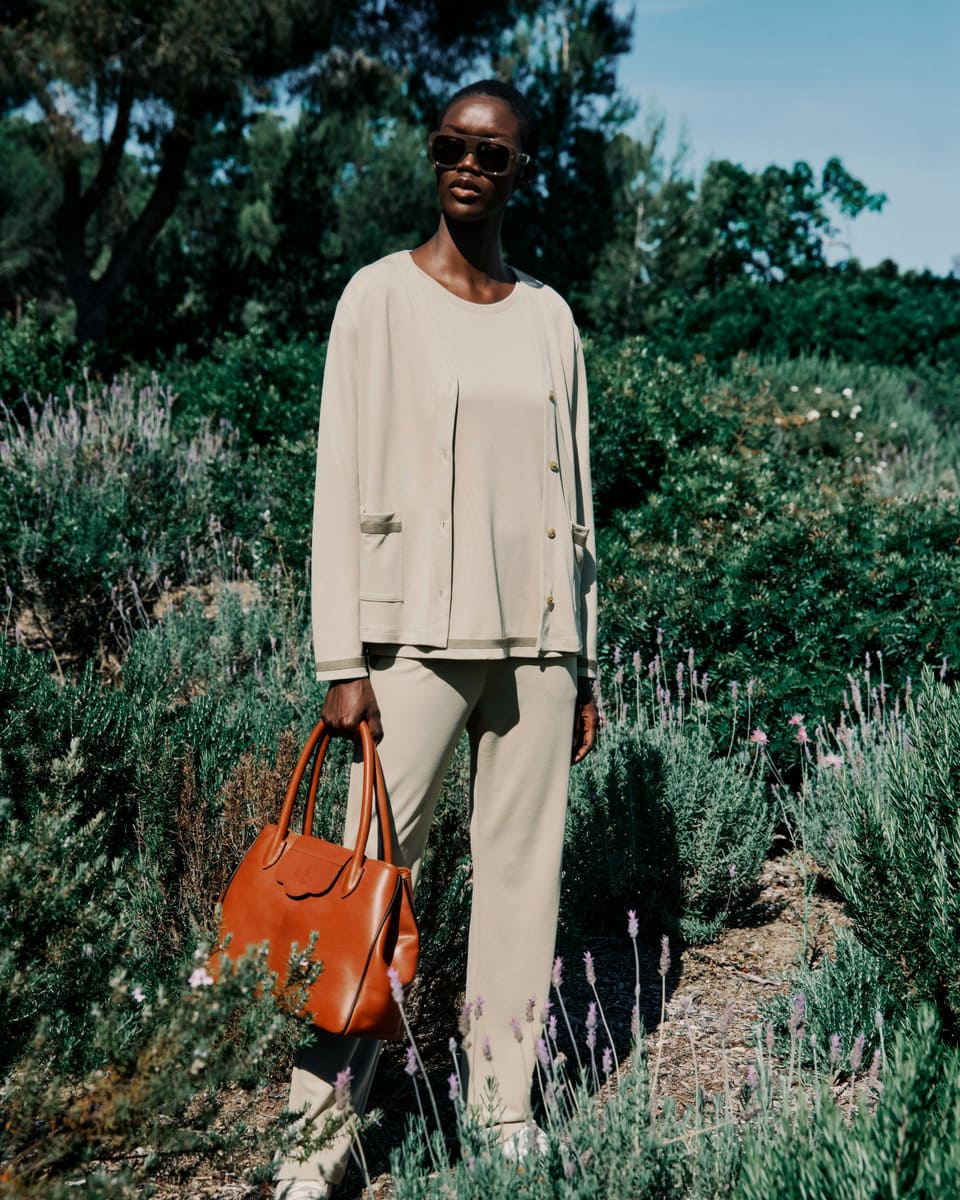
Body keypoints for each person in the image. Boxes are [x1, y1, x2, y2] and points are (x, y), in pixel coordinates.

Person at [275, 78, 599, 1200]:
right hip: (408, 642)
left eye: (492, 153)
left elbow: (578, 501)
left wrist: (585, 656)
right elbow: (336, 484)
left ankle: (504, 1110)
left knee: (523, 884)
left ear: (521, 171)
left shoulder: (550, 317)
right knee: (368, 883)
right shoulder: (376, 300)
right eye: (451, 145)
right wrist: (340, 662)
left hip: (539, 647)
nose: (468, 164)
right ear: (432, 154)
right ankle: (315, 1142)